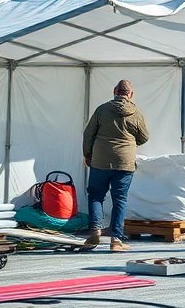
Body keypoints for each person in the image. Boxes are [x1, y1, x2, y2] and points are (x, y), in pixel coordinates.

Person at [82, 79, 150, 252]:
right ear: (131, 94)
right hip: (124, 163)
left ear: (114, 91)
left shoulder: (101, 110)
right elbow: (144, 137)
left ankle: (96, 229)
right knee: (120, 199)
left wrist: (87, 155)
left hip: (100, 160)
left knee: (96, 196)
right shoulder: (136, 114)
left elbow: (88, 134)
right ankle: (116, 240)